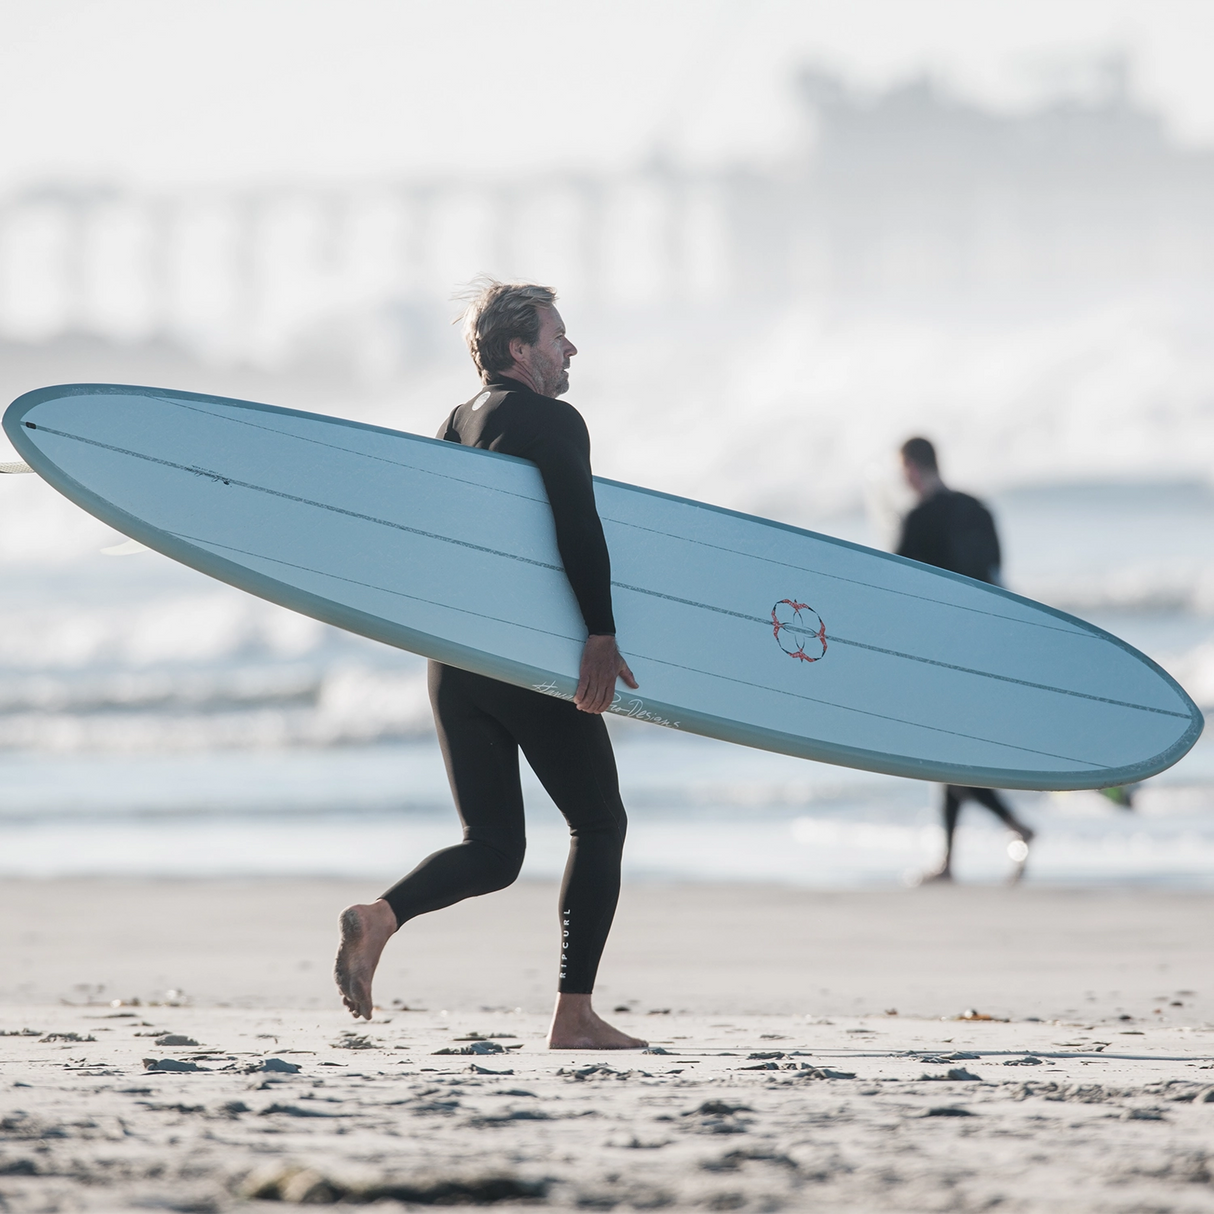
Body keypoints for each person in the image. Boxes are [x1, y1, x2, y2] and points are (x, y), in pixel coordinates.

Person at [334, 279, 646, 1050]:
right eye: (557, 335)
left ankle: (382, 916)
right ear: (519, 350)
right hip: (522, 658)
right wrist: (600, 635)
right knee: (600, 822)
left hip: (456, 661)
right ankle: (573, 1016)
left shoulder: (453, 423)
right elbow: (579, 525)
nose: (570, 348)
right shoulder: (552, 419)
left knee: (495, 848)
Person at [896, 436, 1036, 883]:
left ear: (913, 469)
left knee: (947, 756)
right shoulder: (979, 510)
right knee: (954, 752)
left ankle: (1013, 825)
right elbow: (996, 575)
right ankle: (951, 861)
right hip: (987, 643)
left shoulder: (916, 520)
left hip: (943, 651)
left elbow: (898, 586)